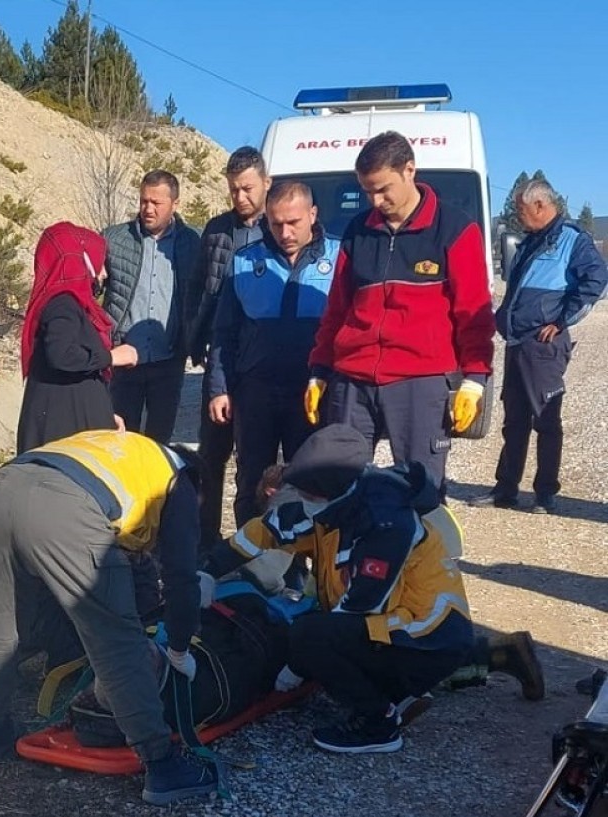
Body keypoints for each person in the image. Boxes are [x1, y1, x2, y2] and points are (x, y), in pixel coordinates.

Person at [0, 429, 218, 805]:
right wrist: (180, 650)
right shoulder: (178, 482)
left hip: (2, 488)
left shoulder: (129, 453)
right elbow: (182, 580)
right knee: (117, 642)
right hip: (63, 507)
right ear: (195, 482)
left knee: (7, 622)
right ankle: (162, 765)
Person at [202, 425, 475, 753]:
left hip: (428, 636)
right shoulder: (339, 501)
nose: (301, 501)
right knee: (315, 634)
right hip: (407, 628)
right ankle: (398, 690)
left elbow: (363, 604)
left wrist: (297, 664)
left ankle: (378, 723)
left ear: (324, 492)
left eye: (306, 494)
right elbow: (264, 532)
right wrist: (207, 572)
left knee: (310, 636)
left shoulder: (385, 524)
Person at [307, 131, 495, 491]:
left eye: (382, 189)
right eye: (366, 191)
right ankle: (352, 549)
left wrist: (475, 378)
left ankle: (429, 549)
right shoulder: (357, 231)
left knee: (420, 491)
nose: (375, 200)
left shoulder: (455, 229)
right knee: (339, 486)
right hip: (352, 380)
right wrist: (319, 370)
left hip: (420, 381)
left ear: (410, 170)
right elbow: (336, 310)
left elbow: (474, 311)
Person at [470, 177, 607, 514]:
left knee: (546, 419)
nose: (518, 215)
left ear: (541, 205)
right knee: (514, 419)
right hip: (517, 342)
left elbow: (596, 280)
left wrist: (561, 321)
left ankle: (545, 492)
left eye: (521, 209)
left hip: (543, 346)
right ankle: (506, 489)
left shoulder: (572, 241)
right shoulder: (532, 241)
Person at [207, 180, 338, 527]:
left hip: (312, 393)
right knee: (251, 481)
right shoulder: (245, 261)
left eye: (293, 222)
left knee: (309, 480)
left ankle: (302, 564)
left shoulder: (340, 259)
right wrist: (219, 388)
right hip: (256, 392)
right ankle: (249, 557)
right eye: (276, 223)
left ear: (313, 215)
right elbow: (224, 333)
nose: (285, 232)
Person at [187, 147, 270, 554]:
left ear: (266, 183)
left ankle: (257, 540)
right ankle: (205, 541)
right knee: (211, 454)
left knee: (256, 459)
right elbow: (199, 287)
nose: (240, 197)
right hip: (222, 353)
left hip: (262, 361)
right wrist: (194, 334)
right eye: (234, 190)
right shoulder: (217, 230)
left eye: (248, 188)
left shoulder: (280, 229)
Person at [16, 222, 138, 453]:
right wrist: (111, 357)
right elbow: (62, 355)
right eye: (100, 261)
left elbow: (73, 381)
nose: (104, 273)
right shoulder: (63, 305)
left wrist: (104, 417)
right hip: (61, 442)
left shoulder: (67, 304)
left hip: (69, 428)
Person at [102, 170, 201, 443]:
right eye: (144, 201)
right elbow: (94, 289)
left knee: (159, 441)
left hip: (168, 360)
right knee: (120, 439)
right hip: (124, 360)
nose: (148, 208)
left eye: (156, 203)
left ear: (175, 204)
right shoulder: (115, 239)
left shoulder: (193, 243)